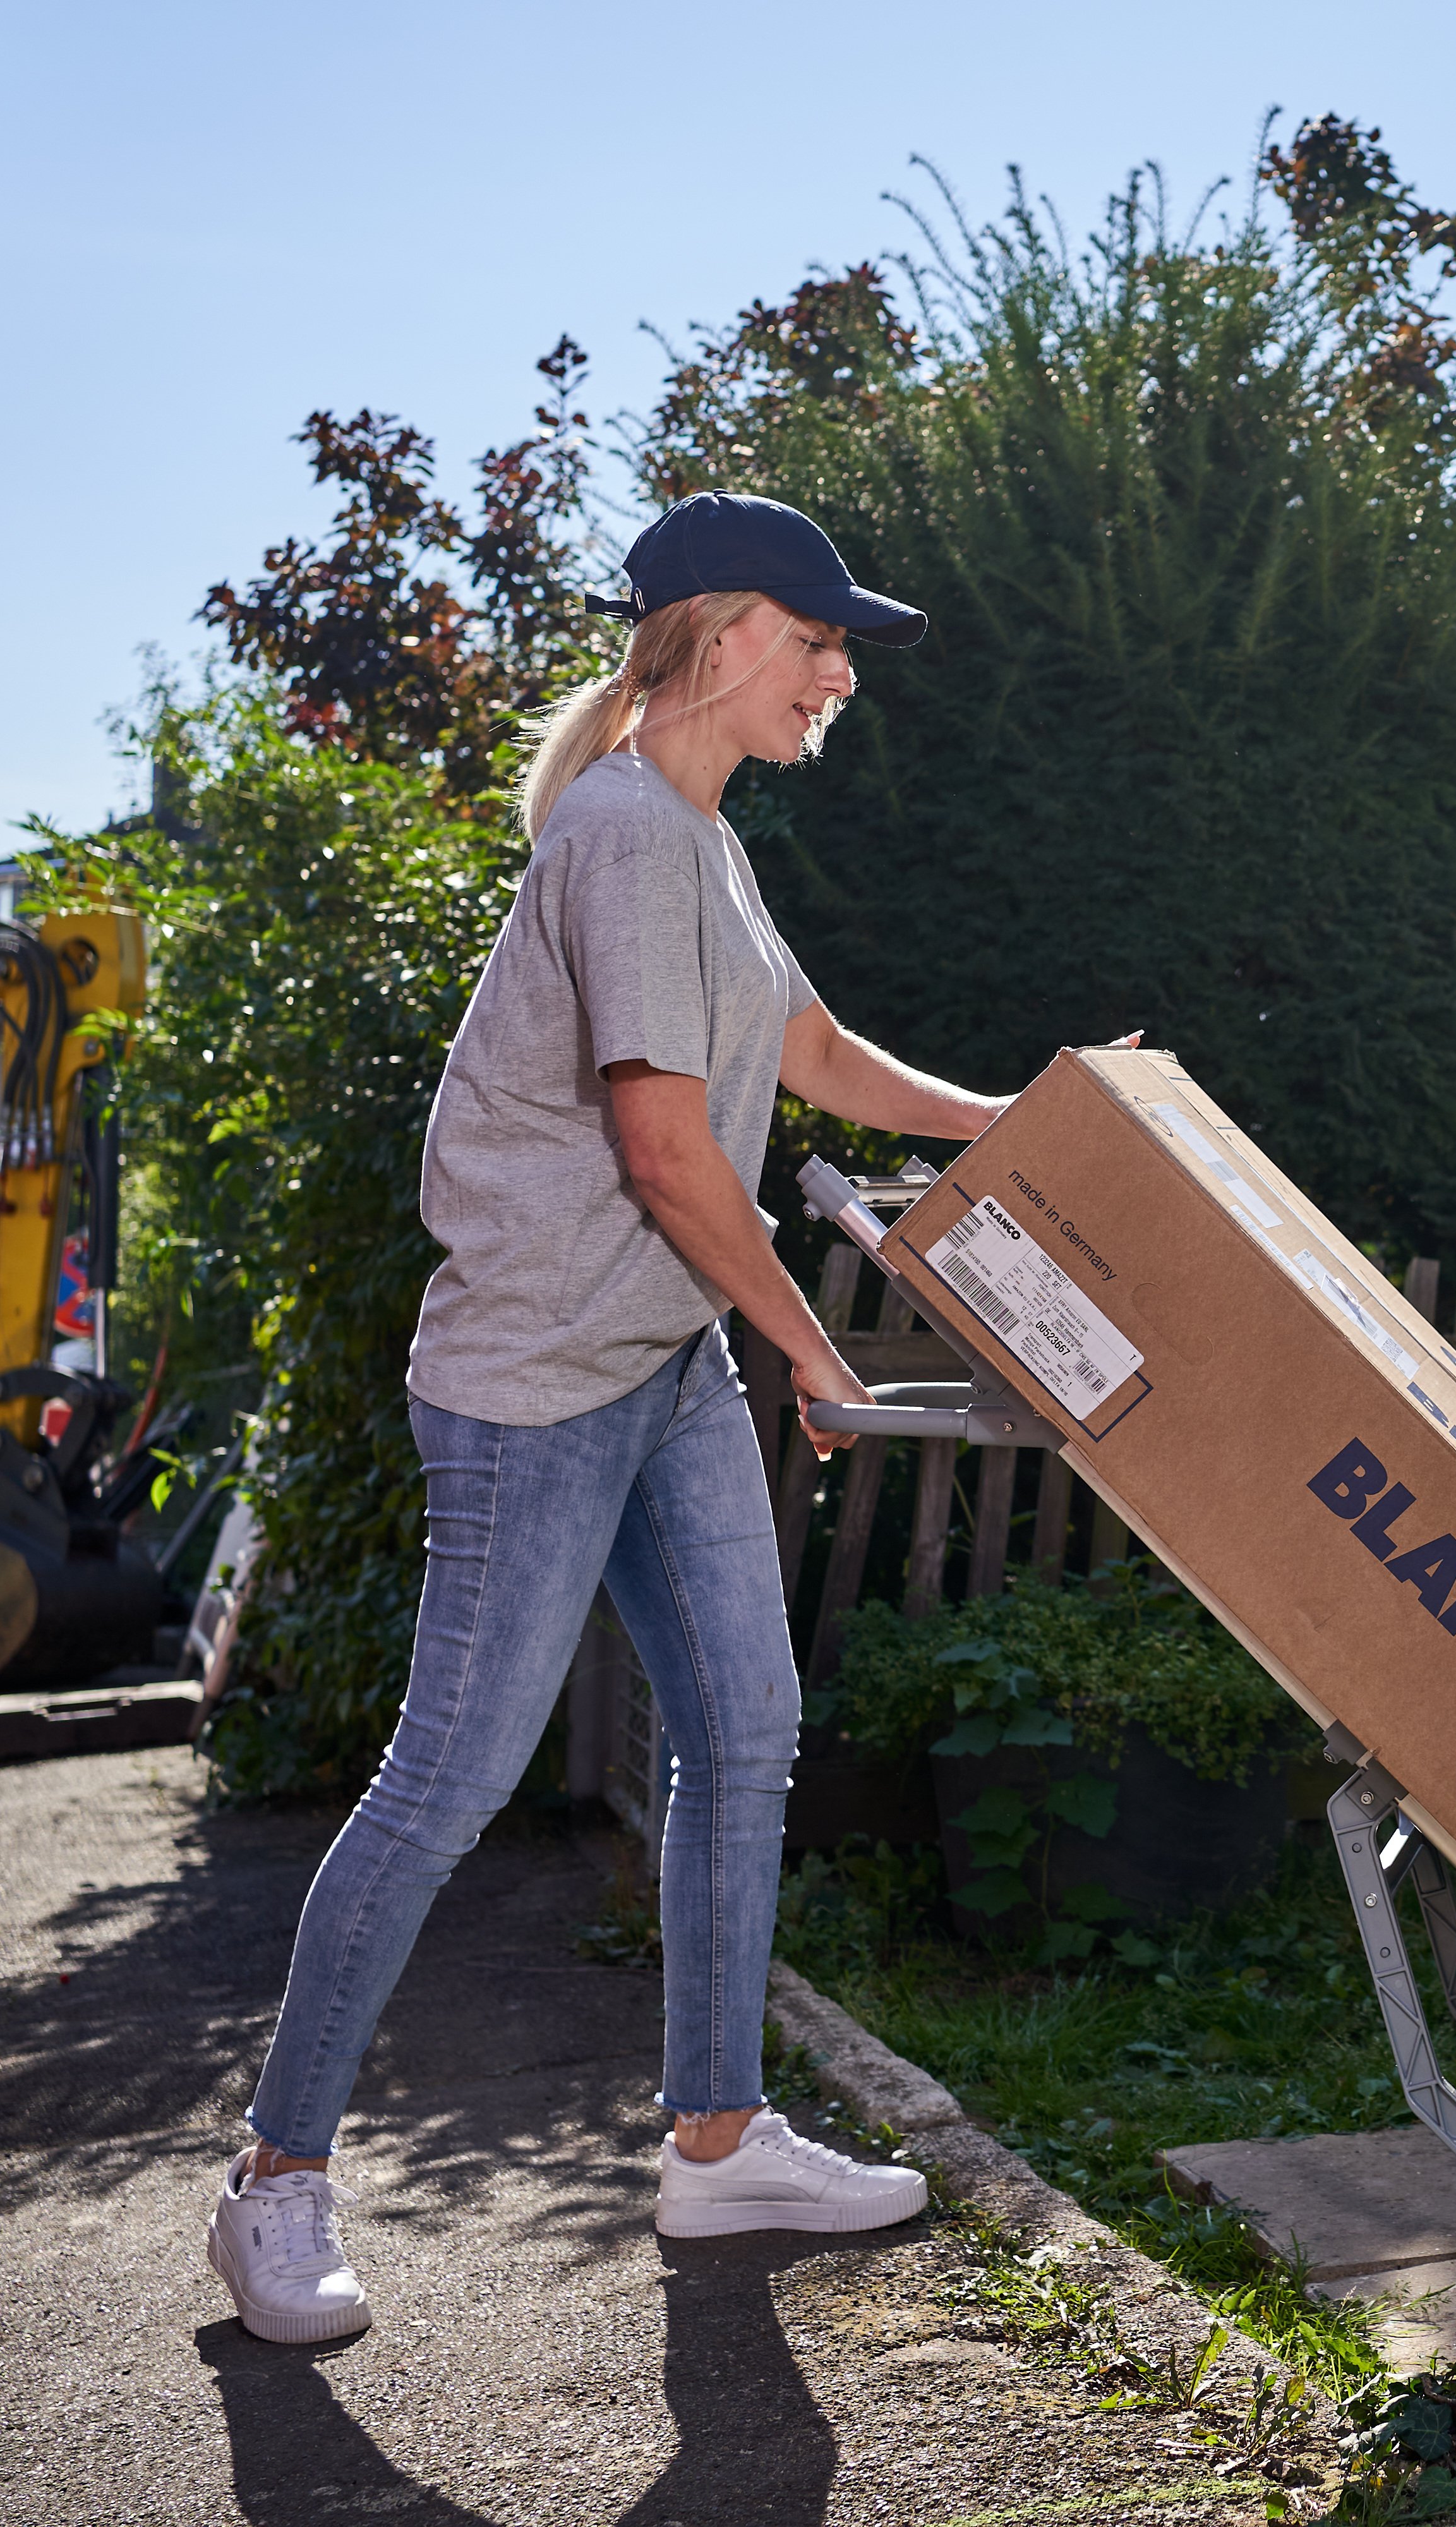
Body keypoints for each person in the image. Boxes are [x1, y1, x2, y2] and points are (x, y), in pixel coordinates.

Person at [208, 493, 1004, 2344]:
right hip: (534, 1383)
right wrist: (811, 1344)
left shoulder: (701, 842)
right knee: (452, 1780)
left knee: (744, 1728)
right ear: (724, 638)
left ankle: (719, 2142)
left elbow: (813, 1060)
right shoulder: (632, 839)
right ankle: (275, 2184)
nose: (838, 676)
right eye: (819, 642)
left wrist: (1031, 1116)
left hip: (654, 1367)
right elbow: (663, 1150)